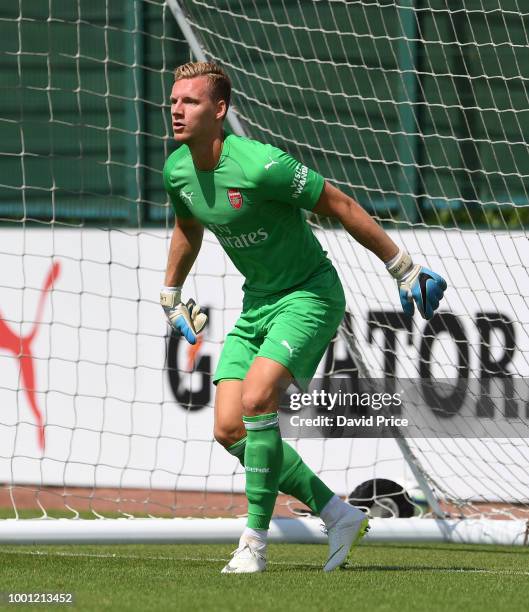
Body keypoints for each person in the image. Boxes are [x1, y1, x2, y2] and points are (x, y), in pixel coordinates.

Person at [160, 62, 446, 574]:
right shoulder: (177, 169)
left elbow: (337, 203)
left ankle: (253, 543)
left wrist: (401, 266)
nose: (177, 109)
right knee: (228, 429)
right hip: (259, 303)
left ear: (219, 110)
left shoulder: (263, 165)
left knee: (256, 398)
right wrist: (170, 293)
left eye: (191, 101)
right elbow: (188, 226)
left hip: (310, 295)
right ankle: (339, 514)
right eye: (174, 100)